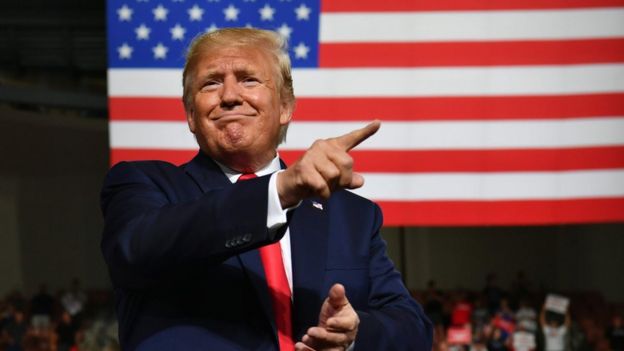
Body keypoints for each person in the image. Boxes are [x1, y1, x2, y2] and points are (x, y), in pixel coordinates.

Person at [100, 27, 432, 351]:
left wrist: (355, 333)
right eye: (211, 83)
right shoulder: (144, 185)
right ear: (190, 114)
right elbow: (134, 251)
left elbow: (413, 329)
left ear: (286, 107)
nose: (229, 96)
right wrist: (280, 191)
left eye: (249, 79)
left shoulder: (353, 216)